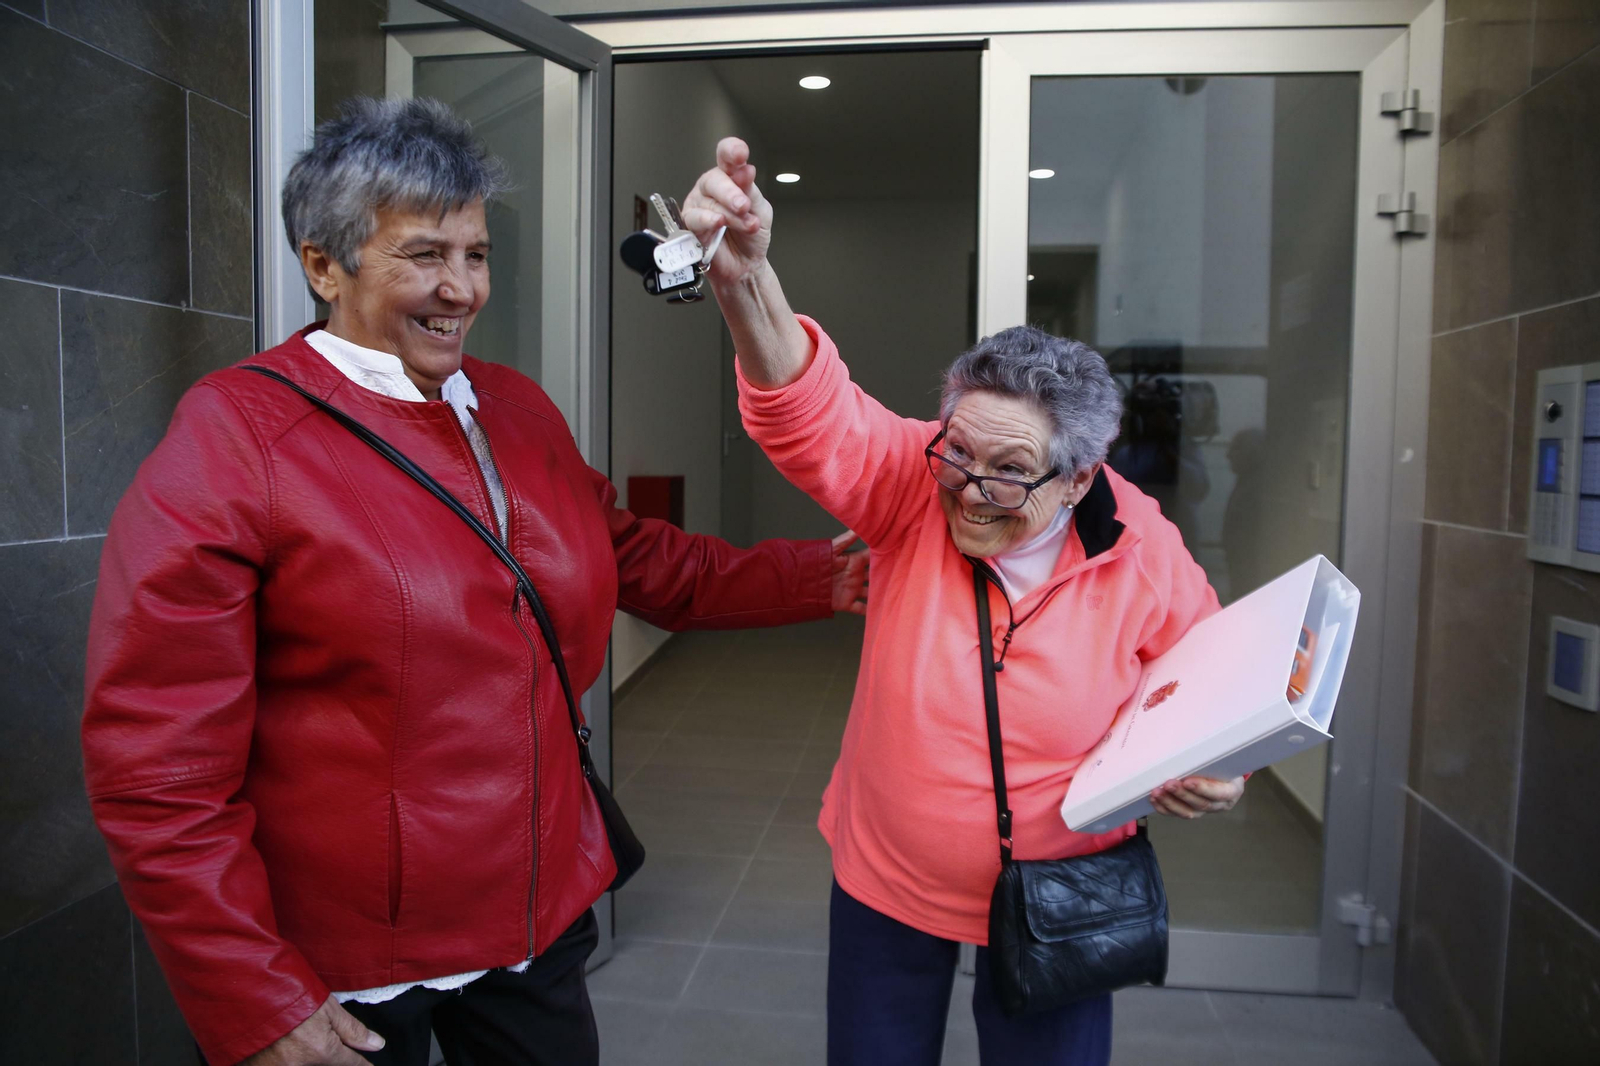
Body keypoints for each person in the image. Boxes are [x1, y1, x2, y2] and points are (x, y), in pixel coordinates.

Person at [80, 101, 868, 1066]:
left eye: (478, 254)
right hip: (349, 959)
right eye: (423, 255)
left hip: (532, 912)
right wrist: (256, 995)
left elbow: (633, 560)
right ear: (323, 264)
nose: (461, 288)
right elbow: (156, 767)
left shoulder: (513, 409)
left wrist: (826, 576)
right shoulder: (239, 437)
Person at [680, 138, 1247, 1066]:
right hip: (888, 875)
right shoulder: (914, 480)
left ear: (1077, 482)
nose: (968, 489)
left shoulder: (1141, 546)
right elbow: (811, 411)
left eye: (1010, 473)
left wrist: (1221, 763)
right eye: (959, 453)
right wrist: (747, 282)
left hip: (1066, 887)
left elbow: (1212, 672)